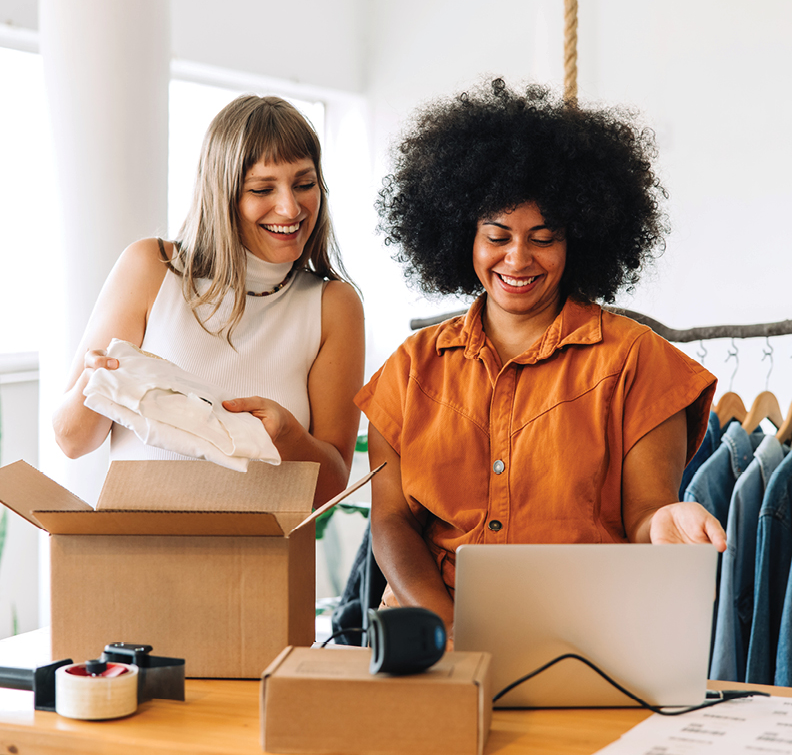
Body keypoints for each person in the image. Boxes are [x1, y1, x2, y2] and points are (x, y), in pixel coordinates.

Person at [355, 80, 726, 641]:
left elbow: (647, 511)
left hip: (587, 635)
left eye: (544, 237)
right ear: (465, 239)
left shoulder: (636, 361)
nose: (518, 258)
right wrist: (447, 626)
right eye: (497, 236)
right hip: (429, 627)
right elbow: (390, 521)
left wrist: (665, 522)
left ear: (578, 241)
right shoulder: (411, 368)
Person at [53, 95, 364, 507]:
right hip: (140, 557)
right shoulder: (152, 268)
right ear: (222, 194)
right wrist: (97, 382)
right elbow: (72, 441)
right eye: (262, 189)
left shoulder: (333, 305)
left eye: (304, 184)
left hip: (261, 564)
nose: (290, 207)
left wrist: (288, 436)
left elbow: (331, 485)